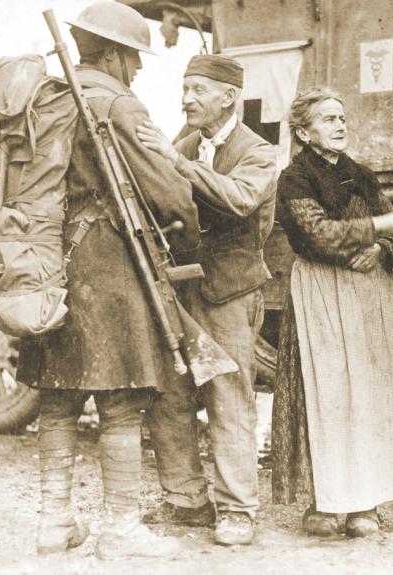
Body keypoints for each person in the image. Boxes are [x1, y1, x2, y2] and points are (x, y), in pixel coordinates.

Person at [29, 2, 200, 560]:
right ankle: (121, 530)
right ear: (108, 53)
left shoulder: (46, 99)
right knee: (122, 402)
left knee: (58, 398)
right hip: (109, 265)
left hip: (49, 265)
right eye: (133, 55)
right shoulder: (117, 104)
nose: (139, 68)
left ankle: (54, 523)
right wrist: (190, 238)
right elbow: (171, 189)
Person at [271, 88, 393, 538]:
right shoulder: (294, 180)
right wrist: (376, 228)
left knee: (368, 395)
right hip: (320, 295)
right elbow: (317, 235)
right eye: (328, 119)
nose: (340, 125)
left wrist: (382, 250)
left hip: (368, 295)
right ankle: (324, 504)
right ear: (304, 133)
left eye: (341, 118)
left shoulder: (361, 175)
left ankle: (365, 504)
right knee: (326, 394)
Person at [136, 54, 277, 546]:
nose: (186, 98)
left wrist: (174, 163)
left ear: (228, 97)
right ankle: (186, 499)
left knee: (228, 397)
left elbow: (239, 198)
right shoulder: (187, 142)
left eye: (198, 90)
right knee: (170, 392)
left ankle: (237, 509)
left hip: (230, 293)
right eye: (184, 88)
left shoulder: (259, 152)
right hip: (181, 288)